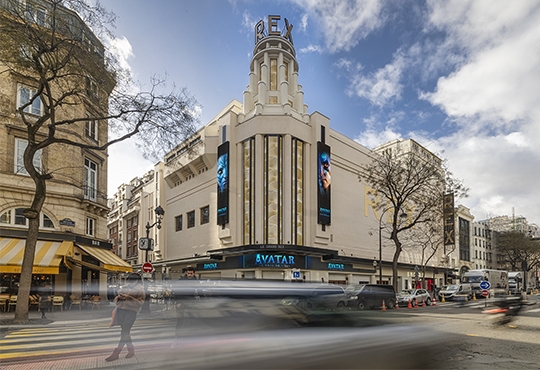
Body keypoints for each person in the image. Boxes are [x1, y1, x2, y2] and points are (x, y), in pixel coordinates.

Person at [105, 273, 145, 362]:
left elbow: (140, 303)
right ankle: (131, 351)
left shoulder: (140, 289)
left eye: (132, 280)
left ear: (136, 280)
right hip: (121, 311)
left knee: (125, 332)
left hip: (131, 312)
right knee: (125, 332)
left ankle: (116, 353)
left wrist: (128, 298)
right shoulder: (124, 287)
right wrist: (119, 298)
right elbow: (117, 298)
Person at [171, 267, 198, 349]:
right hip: (182, 303)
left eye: (191, 273)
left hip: (190, 303)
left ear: (194, 273)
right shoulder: (181, 280)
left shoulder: (195, 281)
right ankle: (177, 339)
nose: (189, 275)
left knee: (190, 321)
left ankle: (187, 339)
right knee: (180, 321)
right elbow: (176, 291)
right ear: (186, 273)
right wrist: (178, 302)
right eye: (188, 273)